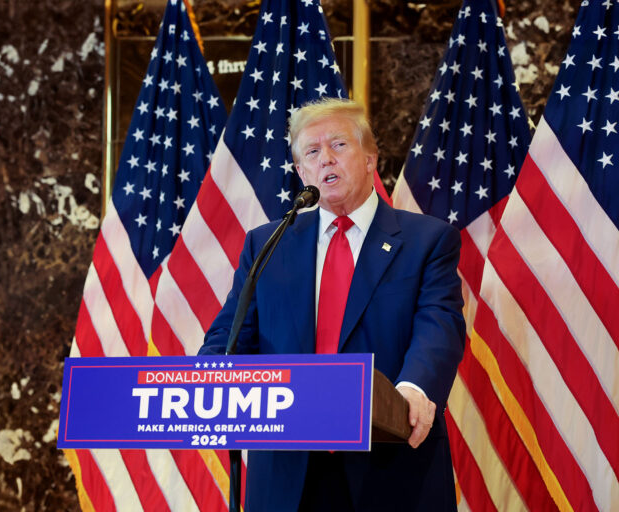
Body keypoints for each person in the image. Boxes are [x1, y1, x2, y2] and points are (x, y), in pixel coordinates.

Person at [199, 98, 465, 512]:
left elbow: (439, 325)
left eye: (338, 145)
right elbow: (230, 334)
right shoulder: (268, 243)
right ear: (302, 172)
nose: (326, 159)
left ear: (369, 160)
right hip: (288, 472)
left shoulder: (427, 241)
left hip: (389, 462)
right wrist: (204, 382)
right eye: (312, 151)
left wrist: (412, 390)